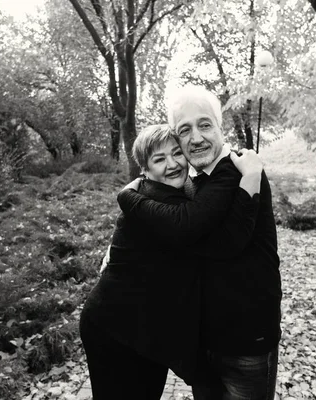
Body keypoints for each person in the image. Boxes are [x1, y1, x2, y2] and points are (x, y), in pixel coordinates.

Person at [117, 85, 281, 400]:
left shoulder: (235, 173)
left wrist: (129, 199)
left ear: (221, 128)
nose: (196, 138)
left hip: (246, 342)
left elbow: (217, 242)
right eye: (185, 130)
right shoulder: (198, 183)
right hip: (206, 344)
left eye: (204, 125)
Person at [79, 123, 265, 400]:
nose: (172, 164)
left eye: (177, 153)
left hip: (145, 330)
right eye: (159, 159)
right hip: (113, 328)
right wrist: (250, 180)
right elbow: (225, 241)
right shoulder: (163, 203)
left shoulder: (164, 192)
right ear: (145, 169)